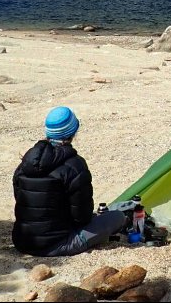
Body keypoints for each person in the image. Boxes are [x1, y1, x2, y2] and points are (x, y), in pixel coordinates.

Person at [12, 106, 126, 256]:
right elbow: (82, 217)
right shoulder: (75, 165)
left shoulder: (25, 164)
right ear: (73, 132)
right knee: (118, 217)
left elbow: (23, 202)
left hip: (22, 242)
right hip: (57, 244)